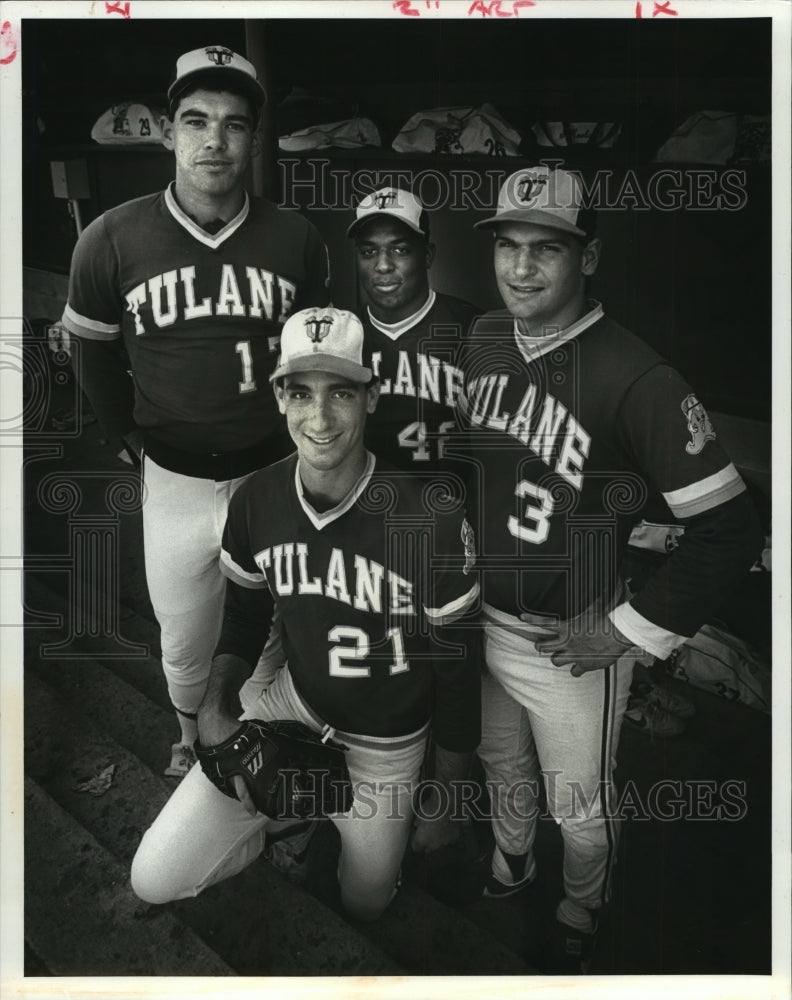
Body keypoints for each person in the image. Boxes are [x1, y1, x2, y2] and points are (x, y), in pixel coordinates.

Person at [444, 165, 764, 972]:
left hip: (569, 643)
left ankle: (583, 905)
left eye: (545, 248)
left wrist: (626, 629)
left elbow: (730, 529)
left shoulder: (639, 378)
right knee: (499, 762)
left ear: (588, 257)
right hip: (483, 618)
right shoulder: (483, 335)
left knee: (580, 807)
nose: (521, 267)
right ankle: (513, 858)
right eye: (508, 246)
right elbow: (476, 470)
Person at [130, 307, 482, 922]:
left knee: (364, 903)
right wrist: (215, 703)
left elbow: (458, 667)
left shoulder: (431, 516)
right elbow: (242, 614)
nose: (319, 419)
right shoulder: (256, 499)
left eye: (340, 392)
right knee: (152, 877)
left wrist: (448, 792)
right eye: (300, 393)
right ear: (279, 397)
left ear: (371, 397)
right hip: (293, 709)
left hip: (388, 746)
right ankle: (284, 819)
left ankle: (317, 825)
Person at [61, 45, 330, 775]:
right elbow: (88, 349)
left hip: (270, 470)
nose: (214, 139)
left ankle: (250, 729)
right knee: (182, 633)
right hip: (173, 477)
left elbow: (316, 357)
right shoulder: (110, 236)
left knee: (268, 626)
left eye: (234, 124)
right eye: (196, 120)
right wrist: (123, 432)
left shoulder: (296, 237)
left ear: (254, 138)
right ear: (167, 130)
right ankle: (188, 738)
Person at [347, 187, 480, 471]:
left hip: (451, 501)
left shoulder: (475, 330)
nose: (382, 265)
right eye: (369, 251)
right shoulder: (342, 336)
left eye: (400, 250)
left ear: (428, 255)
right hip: (366, 503)